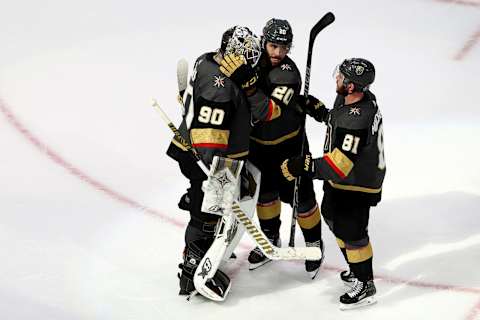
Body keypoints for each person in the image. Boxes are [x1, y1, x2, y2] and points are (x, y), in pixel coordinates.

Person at [220, 18, 325, 275]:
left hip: (288, 147)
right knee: (265, 195)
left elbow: (269, 112)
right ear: (263, 41)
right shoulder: (251, 60)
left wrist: (247, 84)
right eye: (273, 46)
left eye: (284, 47)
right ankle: (270, 238)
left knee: (303, 199)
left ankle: (314, 242)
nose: (278, 53)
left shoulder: (288, 74)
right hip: (257, 147)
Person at [280, 57, 386, 309]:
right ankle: (355, 266)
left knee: (353, 233)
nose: (336, 78)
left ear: (351, 86)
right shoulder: (353, 100)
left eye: (341, 77)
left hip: (357, 184)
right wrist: (320, 112)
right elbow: (338, 120)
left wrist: (303, 166)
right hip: (344, 181)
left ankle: (365, 282)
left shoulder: (358, 119)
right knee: (331, 216)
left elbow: (340, 165)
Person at [166, 26, 262, 297]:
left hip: (196, 152)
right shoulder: (221, 87)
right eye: (246, 56)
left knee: (207, 206)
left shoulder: (207, 58)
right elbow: (209, 137)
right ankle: (191, 275)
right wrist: (214, 178)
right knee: (207, 216)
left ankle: (195, 198)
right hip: (211, 161)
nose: (251, 63)